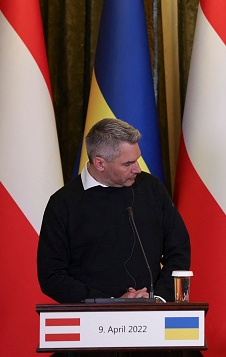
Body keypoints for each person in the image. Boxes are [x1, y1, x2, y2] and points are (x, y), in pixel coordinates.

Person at [38, 118, 191, 303]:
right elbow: (52, 276)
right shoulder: (63, 204)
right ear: (100, 163)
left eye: (137, 160)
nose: (138, 169)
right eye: (128, 164)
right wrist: (109, 303)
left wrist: (158, 297)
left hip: (153, 314)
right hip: (92, 322)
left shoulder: (151, 189)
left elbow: (178, 249)